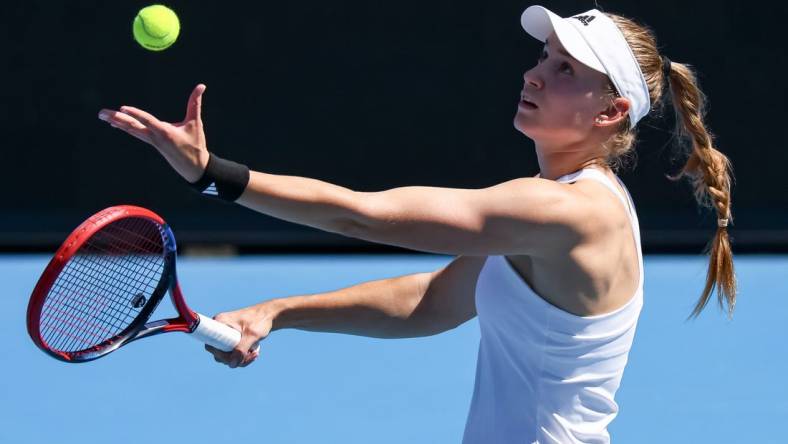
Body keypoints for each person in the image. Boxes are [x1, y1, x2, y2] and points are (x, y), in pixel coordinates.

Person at [97, 5, 737, 442]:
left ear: (610, 111)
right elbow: (438, 300)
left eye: (565, 69)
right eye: (544, 56)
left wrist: (213, 174)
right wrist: (278, 311)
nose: (534, 72)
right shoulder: (564, 208)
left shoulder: (571, 212)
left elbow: (364, 216)